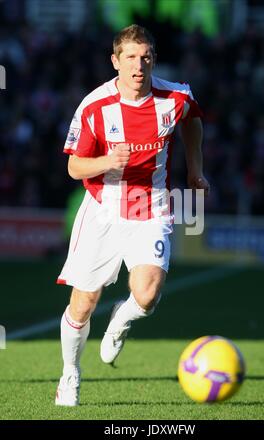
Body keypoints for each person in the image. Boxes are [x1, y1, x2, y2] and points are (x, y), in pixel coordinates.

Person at [55, 24, 210, 407]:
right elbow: (75, 168)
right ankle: (70, 376)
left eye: (145, 57)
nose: (138, 66)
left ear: (153, 59)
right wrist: (108, 160)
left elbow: (192, 122)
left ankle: (118, 324)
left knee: (147, 295)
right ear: (115, 61)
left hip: (151, 205)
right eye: (130, 58)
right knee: (82, 304)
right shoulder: (94, 106)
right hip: (104, 209)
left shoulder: (176, 97)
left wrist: (195, 170)